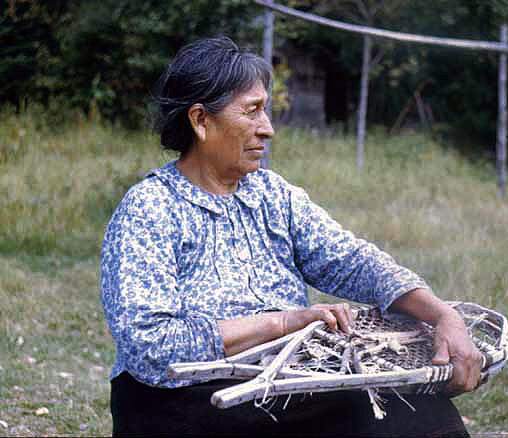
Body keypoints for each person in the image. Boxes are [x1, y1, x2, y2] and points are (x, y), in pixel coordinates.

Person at [100, 36, 483, 437]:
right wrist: (283, 322)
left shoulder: (272, 195)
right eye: (252, 112)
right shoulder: (150, 208)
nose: (267, 130)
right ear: (200, 121)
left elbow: (352, 260)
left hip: (278, 385)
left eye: (265, 111)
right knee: (360, 412)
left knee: (422, 412)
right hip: (183, 399)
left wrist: (443, 316)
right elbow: (150, 348)